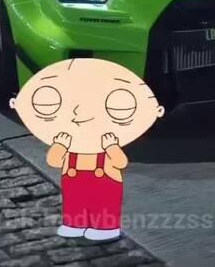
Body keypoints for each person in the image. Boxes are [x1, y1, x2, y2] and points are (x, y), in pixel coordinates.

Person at [11, 58, 164, 242]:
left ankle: (105, 228)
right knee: (75, 206)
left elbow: (121, 162)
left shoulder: (104, 148)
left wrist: (111, 147)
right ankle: (75, 224)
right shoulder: (72, 149)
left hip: (104, 198)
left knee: (103, 208)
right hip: (75, 195)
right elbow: (54, 160)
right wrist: (60, 145)